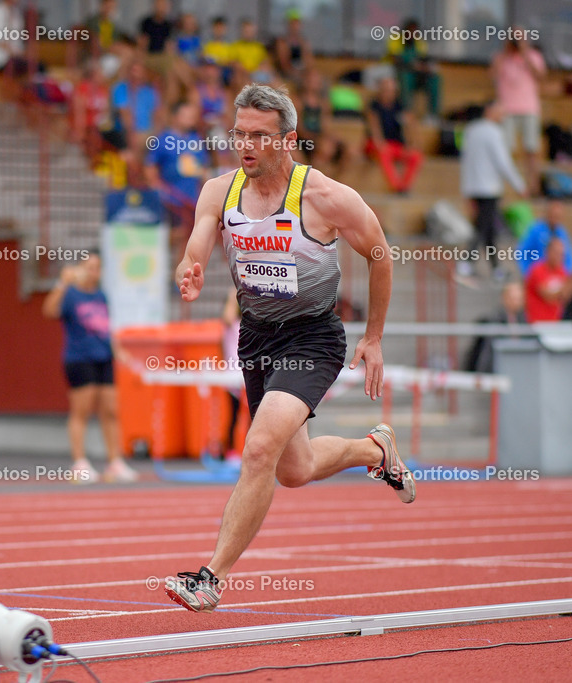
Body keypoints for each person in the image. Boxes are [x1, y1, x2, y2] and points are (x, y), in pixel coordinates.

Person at [164, 83, 414, 614]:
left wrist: (373, 337)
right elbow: (198, 241)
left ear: (288, 140)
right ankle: (376, 449)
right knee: (292, 470)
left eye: (259, 136)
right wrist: (190, 267)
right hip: (257, 337)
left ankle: (212, 577)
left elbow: (380, 254)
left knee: (257, 449)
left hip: (312, 337)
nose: (246, 145)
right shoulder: (219, 191)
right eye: (239, 133)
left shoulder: (324, 196)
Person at [42, 252, 137, 483]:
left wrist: (118, 351)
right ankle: (80, 462)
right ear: (80, 268)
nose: (93, 272)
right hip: (79, 359)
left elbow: (106, 326)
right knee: (81, 411)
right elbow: (49, 310)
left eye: (97, 267)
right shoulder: (71, 294)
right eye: (89, 267)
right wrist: (62, 283)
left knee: (110, 411)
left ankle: (114, 461)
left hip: (103, 357)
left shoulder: (101, 295)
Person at [459, 101, 527, 280]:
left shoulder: (471, 130)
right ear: (489, 110)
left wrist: (466, 188)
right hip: (488, 188)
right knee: (483, 228)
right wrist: (519, 184)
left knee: (488, 229)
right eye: (499, 111)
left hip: (474, 186)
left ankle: (495, 267)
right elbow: (503, 163)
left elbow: (466, 160)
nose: (502, 116)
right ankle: (466, 262)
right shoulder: (494, 133)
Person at [491, 30, 546, 196]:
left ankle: (534, 187)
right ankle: (506, 188)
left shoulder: (533, 56)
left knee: (532, 150)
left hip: (529, 109)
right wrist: (505, 52)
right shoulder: (501, 57)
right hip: (507, 110)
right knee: (505, 150)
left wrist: (524, 52)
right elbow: (493, 75)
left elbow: (540, 76)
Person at [145, 101, 208, 235]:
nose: (190, 119)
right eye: (186, 115)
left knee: (192, 235)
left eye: (192, 116)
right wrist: (159, 189)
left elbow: (203, 168)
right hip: (171, 200)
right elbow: (150, 167)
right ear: (175, 117)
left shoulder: (196, 139)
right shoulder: (162, 140)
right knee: (178, 233)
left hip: (192, 199)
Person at [365, 76, 423, 193]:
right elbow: (375, 128)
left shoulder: (399, 107)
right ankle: (395, 186)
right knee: (384, 152)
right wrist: (380, 143)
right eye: (386, 90)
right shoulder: (374, 106)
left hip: (395, 145)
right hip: (378, 144)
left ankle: (404, 187)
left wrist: (411, 143)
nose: (388, 93)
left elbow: (410, 126)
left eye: (391, 90)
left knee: (416, 156)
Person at [463, 282, 525, 374]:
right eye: (513, 298)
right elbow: (486, 351)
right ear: (504, 298)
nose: (516, 302)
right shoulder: (493, 319)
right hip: (497, 368)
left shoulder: (524, 320)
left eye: (519, 299)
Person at [385, 18, 440, 118]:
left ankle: (432, 115)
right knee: (405, 77)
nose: (412, 33)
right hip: (397, 74)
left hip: (416, 76)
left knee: (434, 78)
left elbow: (424, 60)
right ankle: (406, 112)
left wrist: (426, 68)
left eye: (414, 31)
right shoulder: (395, 39)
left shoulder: (420, 43)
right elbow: (397, 60)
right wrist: (413, 66)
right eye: (410, 30)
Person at [515, 200, 572, 277]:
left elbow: (568, 258)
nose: (555, 220)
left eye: (558, 217)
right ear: (547, 214)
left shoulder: (562, 233)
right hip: (536, 274)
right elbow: (521, 252)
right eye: (553, 216)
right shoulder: (535, 230)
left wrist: (565, 275)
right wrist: (528, 273)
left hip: (555, 276)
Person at [525, 238, 572, 323]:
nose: (560, 257)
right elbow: (547, 295)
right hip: (537, 321)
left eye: (562, 254)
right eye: (557, 253)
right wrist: (568, 285)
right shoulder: (537, 270)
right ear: (548, 252)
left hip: (555, 321)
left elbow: (566, 297)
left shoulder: (562, 271)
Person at [221, 288, 243, 463]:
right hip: (233, 378)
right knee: (233, 415)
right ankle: (229, 452)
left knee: (255, 417)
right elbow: (228, 315)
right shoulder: (232, 324)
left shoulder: (250, 326)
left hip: (250, 377)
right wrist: (232, 296)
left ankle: (249, 448)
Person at [274, 9, 313, 82]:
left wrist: (304, 73)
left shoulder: (304, 42)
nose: (295, 26)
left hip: (302, 74)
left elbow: (309, 62)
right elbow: (283, 64)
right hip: (286, 75)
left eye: (297, 23)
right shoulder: (282, 42)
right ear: (288, 25)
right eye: (292, 23)